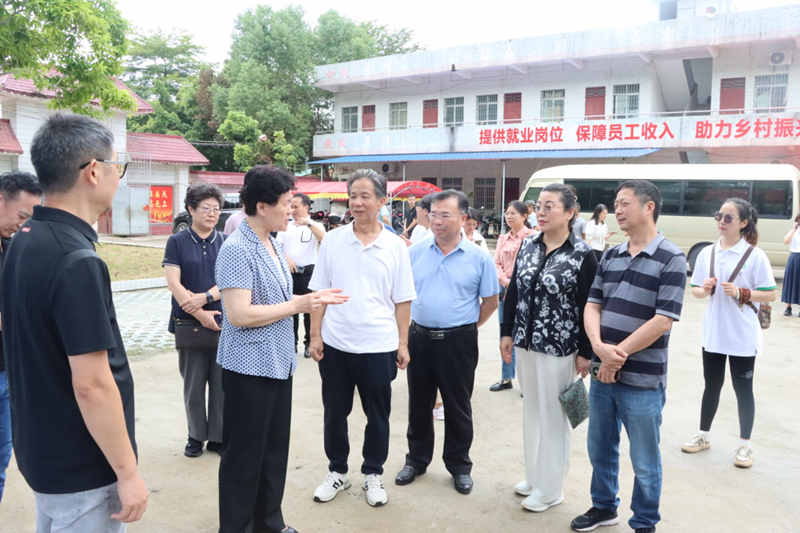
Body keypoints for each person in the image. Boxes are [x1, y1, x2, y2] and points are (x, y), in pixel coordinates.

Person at [2, 114, 147, 531]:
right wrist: (128, 473)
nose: (118, 177)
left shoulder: (26, 237)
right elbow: (92, 384)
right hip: (81, 463)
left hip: (43, 451)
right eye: (118, 166)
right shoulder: (75, 259)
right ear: (94, 171)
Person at [215, 165, 347, 533]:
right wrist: (298, 305)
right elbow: (239, 314)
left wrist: (310, 298)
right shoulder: (237, 249)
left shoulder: (272, 242)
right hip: (248, 369)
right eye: (286, 203)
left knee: (273, 452)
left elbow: (277, 298)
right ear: (261, 206)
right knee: (244, 457)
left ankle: (269, 523)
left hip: (276, 363)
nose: (292, 209)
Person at [571, 180, 686, 533]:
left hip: (643, 379)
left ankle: (645, 521)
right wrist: (598, 347)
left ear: (649, 207)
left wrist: (614, 355)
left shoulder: (671, 257)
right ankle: (604, 507)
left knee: (645, 459)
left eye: (625, 203)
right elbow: (592, 305)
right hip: (603, 373)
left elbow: (663, 320)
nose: (617, 210)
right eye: (616, 204)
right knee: (600, 447)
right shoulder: (611, 254)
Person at [308, 169, 416, 508]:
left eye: (365, 196)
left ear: (381, 201)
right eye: (353, 195)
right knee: (334, 413)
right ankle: (337, 471)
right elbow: (319, 292)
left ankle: (373, 473)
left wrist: (402, 343)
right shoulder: (333, 241)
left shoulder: (395, 246)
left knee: (378, 415)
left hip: (379, 346)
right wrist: (315, 335)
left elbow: (403, 300)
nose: (357, 202)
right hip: (336, 344)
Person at [500, 184, 597, 512]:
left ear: (570, 213)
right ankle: (534, 476)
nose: (540, 212)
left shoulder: (582, 254)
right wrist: (506, 331)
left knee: (554, 415)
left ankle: (551, 488)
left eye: (549, 206)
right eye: (538, 206)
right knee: (532, 410)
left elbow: (589, 305)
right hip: (526, 343)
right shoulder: (528, 245)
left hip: (560, 347)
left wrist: (586, 351)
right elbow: (514, 291)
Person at [395, 190, 499, 495]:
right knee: (419, 403)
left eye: (445, 215)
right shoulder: (415, 253)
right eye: (433, 214)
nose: (437, 221)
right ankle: (416, 460)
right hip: (420, 338)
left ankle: (459, 465)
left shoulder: (479, 257)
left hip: (459, 342)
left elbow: (491, 301)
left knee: (458, 405)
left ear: (463, 218)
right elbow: (402, 297)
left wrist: (467, 326)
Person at [681, 198, 776, 468]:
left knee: (743, 389)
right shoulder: (707, 253)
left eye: (728, 218)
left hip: (742, 335)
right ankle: (703, 435)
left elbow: (771, 293)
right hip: (714, 332)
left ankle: (745, 446)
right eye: (719, 216)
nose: (721, 222)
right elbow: (696, 289)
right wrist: (705, 289)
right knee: (711, 385)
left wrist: (742, 292)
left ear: (743, 223)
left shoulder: (755, 256)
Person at [163, 182, 225, 458]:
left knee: (221, 384)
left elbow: (231, 280)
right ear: (191, 209)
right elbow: (173, 282)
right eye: (206, 208)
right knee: (193, 385)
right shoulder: (177, 241)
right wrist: (199, 312)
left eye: (216, 209)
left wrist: (205, 297)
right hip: (189, 324)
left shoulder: (225, 241)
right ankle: (195, 436)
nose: (212, 214)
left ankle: (218, 437)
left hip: (222, 321)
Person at [0, 171, 42, 501]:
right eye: (22, 215)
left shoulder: (11, 247)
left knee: (2, 458)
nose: (23, 224)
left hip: (7, 371)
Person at [490, 201, 535, 392]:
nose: (508, 216)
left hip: (526, 294)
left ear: (524, 216)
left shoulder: (533, 237)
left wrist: (516, 283)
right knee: (506, 334)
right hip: (506, 292)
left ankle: (527, 384)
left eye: (513, 213)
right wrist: (506, 281)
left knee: (525, 337)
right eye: (507, 213)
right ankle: (506, 377)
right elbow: (496, 263)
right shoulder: (503, 238)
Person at [277, 193, 326, 358]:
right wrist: (287, 259)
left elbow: (324, 239)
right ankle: (291, 344)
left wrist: (308, 223)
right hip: (289, 272)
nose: (292, 210)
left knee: (310, 310)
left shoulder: (315, 225)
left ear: (306, 207)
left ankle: (308, 343)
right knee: (291, 310)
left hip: (309, 272)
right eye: (291, 206)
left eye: (296, 206)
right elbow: (278, 247)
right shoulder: (286, 225)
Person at [780, 214, 800, 316]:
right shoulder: (794, 231)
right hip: (793, 257)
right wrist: (794, 230)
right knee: (790, 281)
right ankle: (788, 307)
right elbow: (786, 241)